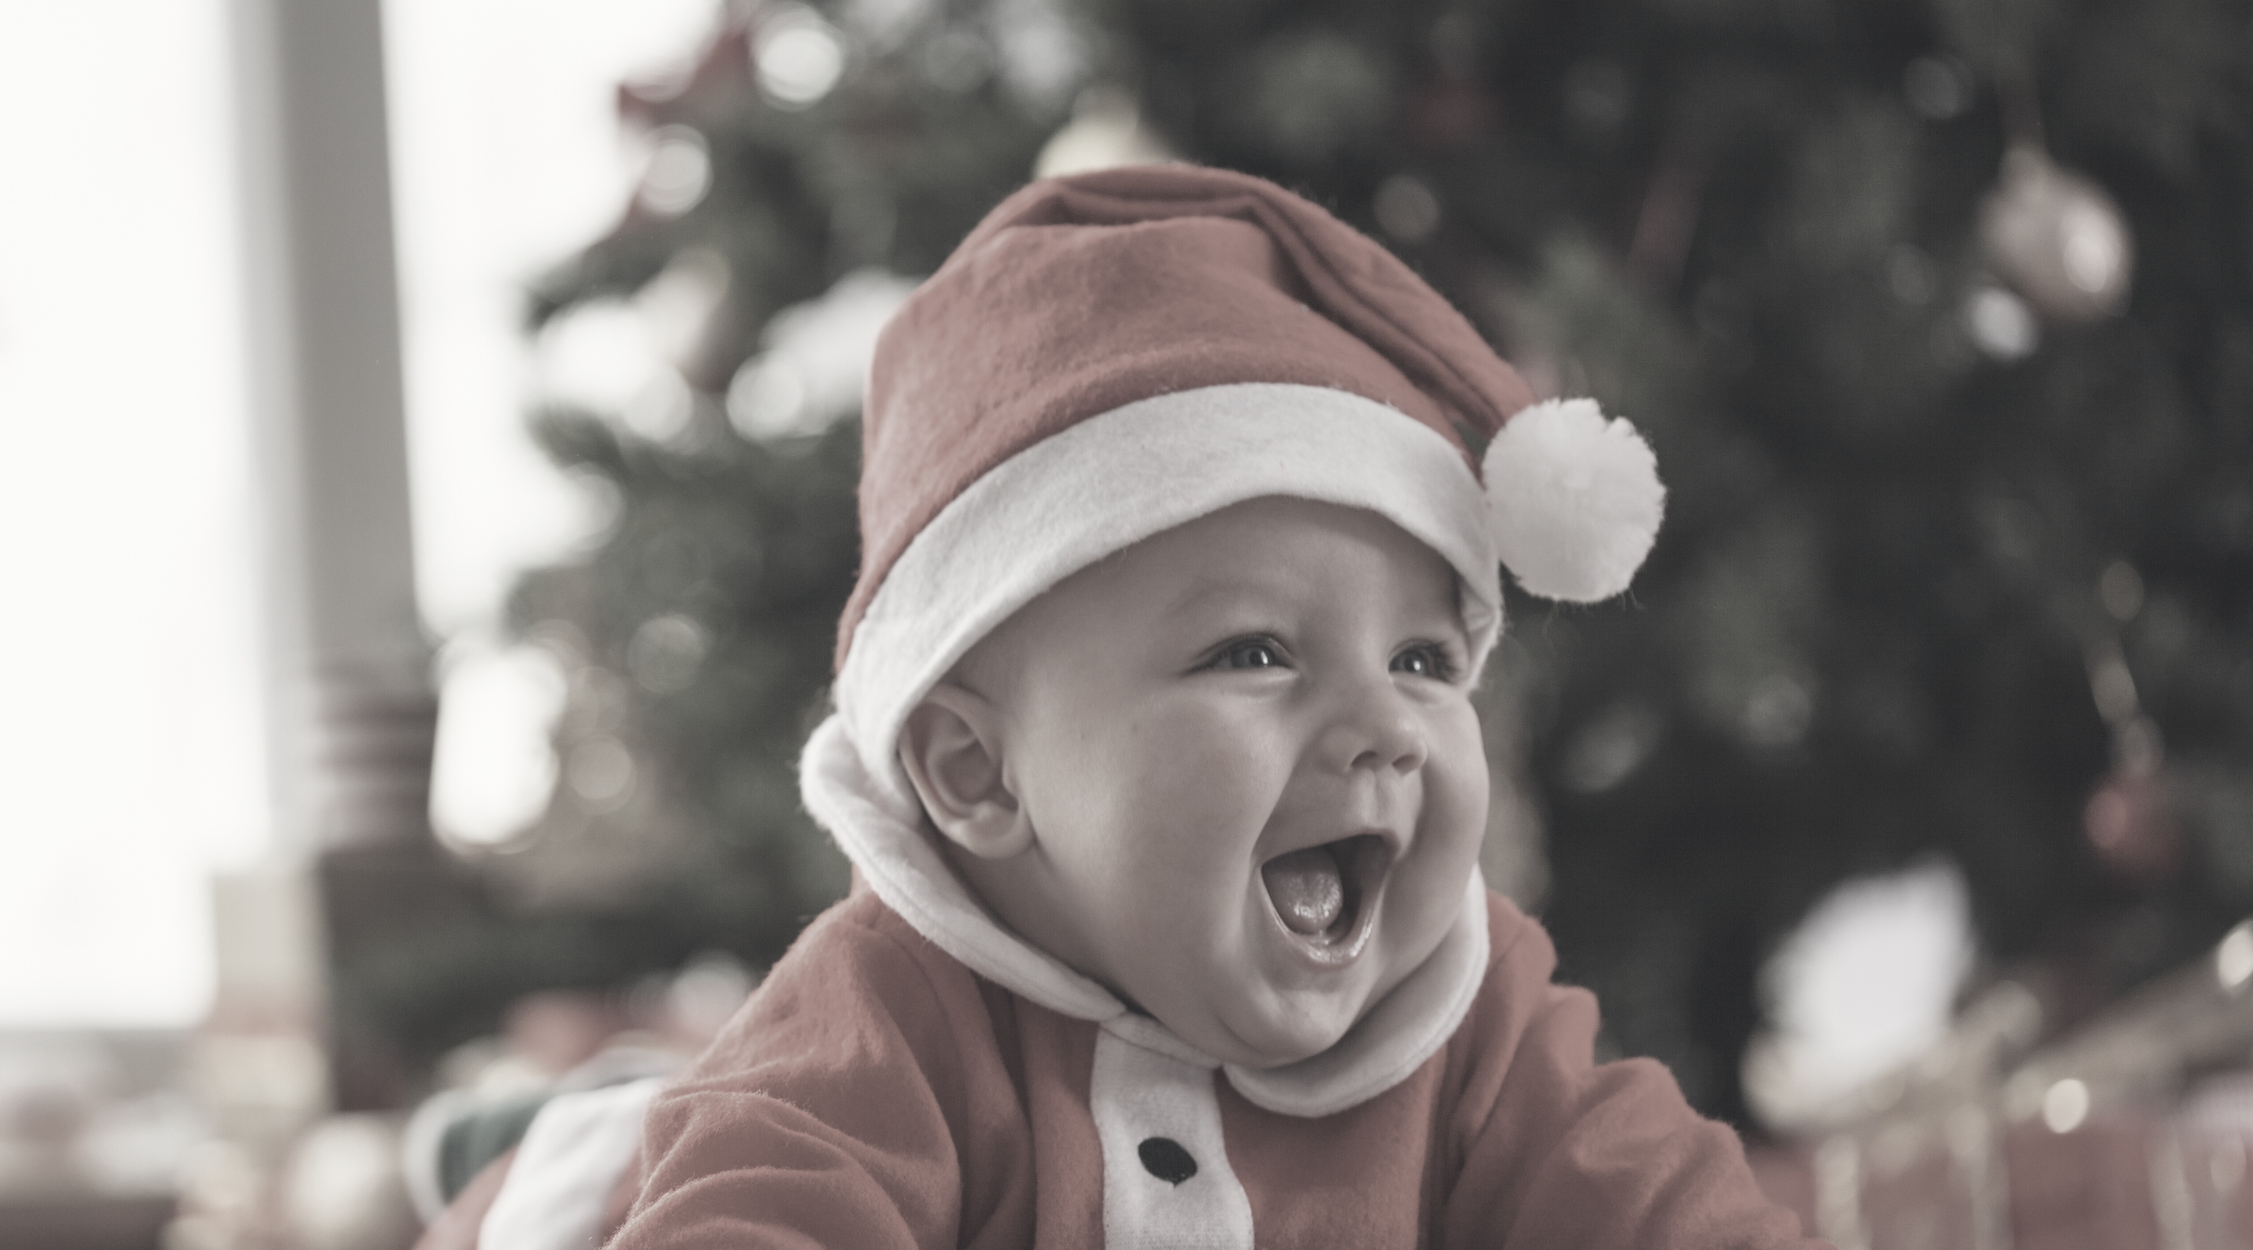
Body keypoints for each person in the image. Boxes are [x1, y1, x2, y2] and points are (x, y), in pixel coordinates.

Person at [447, 163, 1823, 1250]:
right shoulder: (892, 1018)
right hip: (626, 1184)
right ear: (978, 771)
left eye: (1421, 659)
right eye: (1255, 654)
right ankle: (528, 1137)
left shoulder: (1469, 1020)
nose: (1387, 726)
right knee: (598, 1171)